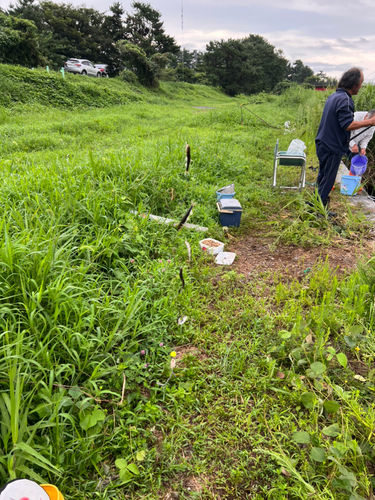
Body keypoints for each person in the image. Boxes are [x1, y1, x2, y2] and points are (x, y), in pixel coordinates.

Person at [315, 68, 375, 209]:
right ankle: (320, 210)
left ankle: (315, 203)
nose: (361, 86)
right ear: (353, 83)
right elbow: (347, 124)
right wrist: (371, 122)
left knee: (323, 176)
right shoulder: (345, 100)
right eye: (360, 83)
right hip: (332, 146)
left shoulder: (335, 96)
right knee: (328, 179)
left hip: (323, 143)